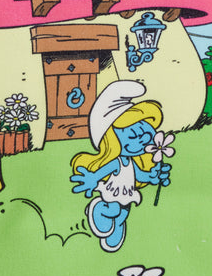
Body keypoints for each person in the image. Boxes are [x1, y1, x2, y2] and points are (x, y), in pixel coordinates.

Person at [69, 80, 170, 252]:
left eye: (146, 133)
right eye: (133, 135)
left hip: (126, 194)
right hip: (113, 193)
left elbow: (140, 175)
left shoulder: (132, 163)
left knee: (123, 213)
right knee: (114, 208)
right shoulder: (117, 162)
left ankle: (115, 229)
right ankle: (98, 209)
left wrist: (153, 176)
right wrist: (92, 179)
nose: (143, 139)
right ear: (112, 140)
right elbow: (102, 172)